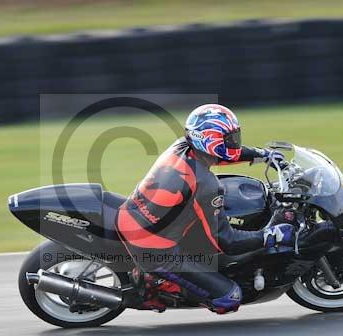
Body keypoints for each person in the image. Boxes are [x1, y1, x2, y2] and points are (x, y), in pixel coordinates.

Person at [115, 104, 295, 314]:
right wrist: (269, 236)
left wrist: (263, 155)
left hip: (136, 216)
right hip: (153, 248)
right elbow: (227, 242)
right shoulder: (205, 185)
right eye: (230, 138)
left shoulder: (182, 146)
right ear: (210, 140)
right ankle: (154, 284)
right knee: (229, 298)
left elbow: (223, 154)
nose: (235, 142)